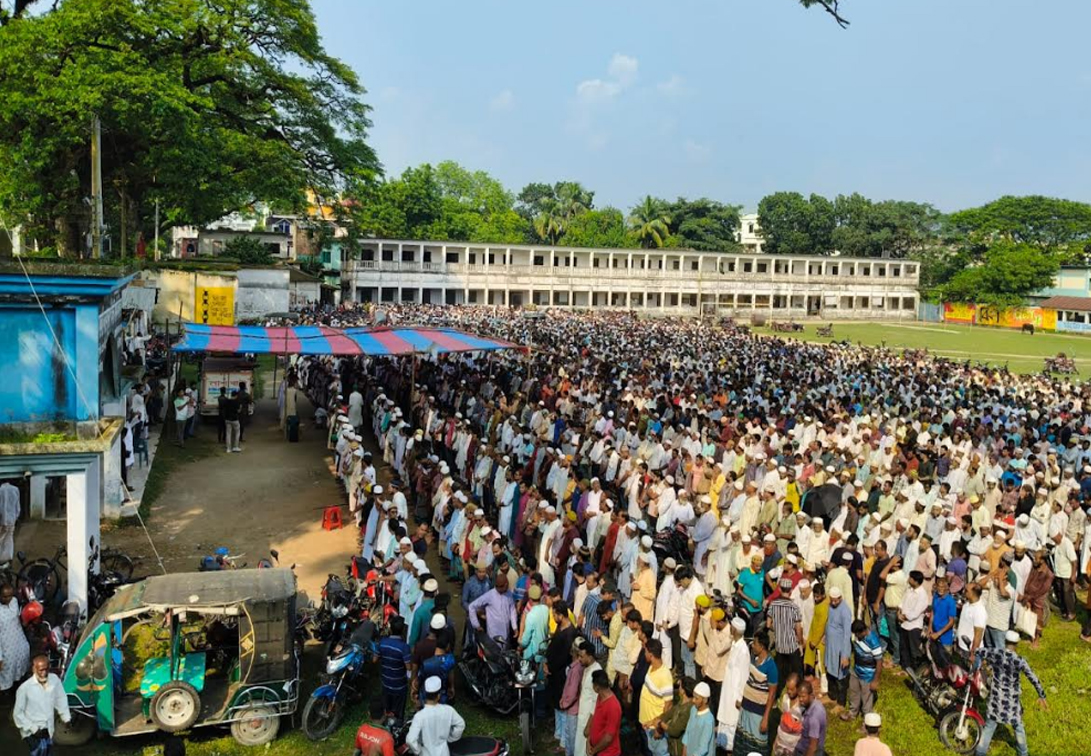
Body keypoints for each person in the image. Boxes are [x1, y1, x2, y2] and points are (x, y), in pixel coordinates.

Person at [973, 631, 1047, 756]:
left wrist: (979, 668)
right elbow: (1033, 677)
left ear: (1005, 642)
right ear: (1017, 643)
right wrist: (1042, 695)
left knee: (989, 727)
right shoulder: (1019, 661)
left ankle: (980, 752)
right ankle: (1023, 753)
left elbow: (977, 651)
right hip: (1012, 703)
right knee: (1018, 728)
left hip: (996, 700)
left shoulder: (995, 653)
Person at [13, 655, 70, 756]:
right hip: (31, 731)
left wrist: (66, 717)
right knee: (39, 752)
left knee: (48, 752)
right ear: (34, 669)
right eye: (41, 670)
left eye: (46, 669)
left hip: (48, 728)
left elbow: (60, 698)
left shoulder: (54, 680)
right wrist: (33, 728)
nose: (44, 673)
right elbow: (17, 714)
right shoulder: (24, 688)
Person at [735, 630, 778, 756]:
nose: (752, 645)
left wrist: (765, 718)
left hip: (758, 713)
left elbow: (772, 694)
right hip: (746, 709)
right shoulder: (754, 659)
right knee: (742, 740)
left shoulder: (771, 667)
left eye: (755, 643)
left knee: (756, 744)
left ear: (762, 646)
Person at [407, 676, 465, 756]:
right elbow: (461, 724)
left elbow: (410, 740)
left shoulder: (419, 716)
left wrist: (419, 751)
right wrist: (450, 738)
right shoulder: (449, 710)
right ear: (439, 695)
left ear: (425, 695)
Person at [639, 639, 674, 756]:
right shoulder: (651, 667)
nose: (644, 654)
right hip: (646, 724)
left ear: (651, 655)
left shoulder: (665, 676)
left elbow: (668, 705)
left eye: (646, 652)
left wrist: (659, 728)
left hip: (655, 728)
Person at [843, 620, 882, 722]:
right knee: (853, 693)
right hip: (856, 670)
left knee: (866, 700)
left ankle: (866, 722)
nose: (856, 637)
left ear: (864, 631)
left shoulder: (873, 641)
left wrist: (875, 680)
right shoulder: (857, 636)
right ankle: (852, 714)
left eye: (858, 634)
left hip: (868, 675)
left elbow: (879, 662)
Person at [377, 616, 412, 719]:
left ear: (390, 629)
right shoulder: (404, 647)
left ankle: (386, 725)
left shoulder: (382, 642)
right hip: (399, 686)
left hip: (386, 683)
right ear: (402, 630)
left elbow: (376, 659)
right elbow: (408, 667)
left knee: (386, 709)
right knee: (398, 712)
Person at [0, 583, 31, 696]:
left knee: (21, 662)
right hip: (5, 645)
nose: (8, 599)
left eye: (10, 596)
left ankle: (18, 687)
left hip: (18, 639)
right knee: (7, 669)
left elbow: (18, 618)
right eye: (4, 596)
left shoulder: (14, 601)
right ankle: (6, 692)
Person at [587, 669, 622, 756]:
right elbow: (596, 721)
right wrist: (589, 741)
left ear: (597, 687)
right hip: (597, 750)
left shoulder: (613, 706)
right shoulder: (600, 697)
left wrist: (594, 751)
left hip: (608, 753)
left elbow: (608, 738)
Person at [680, 681, 715, 756]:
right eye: (693, 697)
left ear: (705, 700)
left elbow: (703, 748)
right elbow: (688, 732)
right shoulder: (693, 709)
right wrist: (684, 751)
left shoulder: (708, 720)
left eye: (696, 698)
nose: (693, 700)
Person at [794, 679, 827, 756]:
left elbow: (813, 747)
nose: (800, 699)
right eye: (799, 696)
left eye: (803, 696)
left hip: (807, 751)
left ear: (811, 695)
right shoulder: (815, 704)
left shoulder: (814, 717)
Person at [0, 481, 20, 565]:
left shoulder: (0, 490)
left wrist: (3, 520)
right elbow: (18, 507)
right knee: (9, 538)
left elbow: (1, 507)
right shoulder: (15, 489)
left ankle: (2, 560)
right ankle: (8, 558)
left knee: (1, 539)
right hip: (12, 519)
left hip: (2, 519)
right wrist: (15, 518)